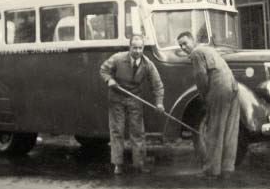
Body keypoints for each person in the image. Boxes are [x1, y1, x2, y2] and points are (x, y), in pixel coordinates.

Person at [176, 31, 240, 179]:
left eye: (185, 43)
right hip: (233, 86)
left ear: (193, 41)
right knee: (230, 130)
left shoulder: (196, 53)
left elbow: (201, 77)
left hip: (219, 88)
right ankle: (227, 169)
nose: (184, 47)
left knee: (214, 130)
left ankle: (211, 170)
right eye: (180, 45)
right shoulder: (208, 49)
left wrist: (205, 97)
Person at [100, 35, 165, 174]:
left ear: (143, 49)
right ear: (129, 47)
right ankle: (117, 164)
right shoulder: (117, 58)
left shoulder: (147, 64)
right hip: (116, 98)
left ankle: (139, 164)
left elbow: (157, 85)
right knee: (117, 131)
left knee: (138, 132)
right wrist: (109, 80)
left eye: (140, 48)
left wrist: (159, 103)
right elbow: (104, 70)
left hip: (135, 99)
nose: (137, 51)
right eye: (134, 47)